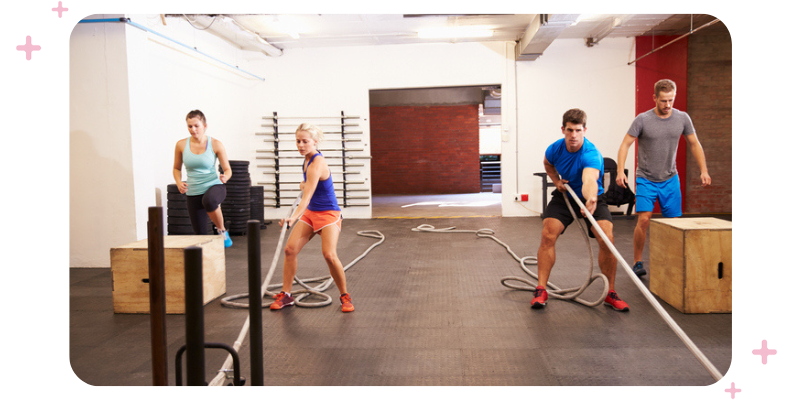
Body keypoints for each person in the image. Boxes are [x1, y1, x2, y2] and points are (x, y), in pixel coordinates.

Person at [531, 108, 629, 312]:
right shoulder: (554, 149)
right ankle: (541, 289)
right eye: (569, 130)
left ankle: (610, 293)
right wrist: (556, 181)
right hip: (565, 195)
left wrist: (591, 198)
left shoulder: (591, 154)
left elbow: (589, 179)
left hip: (591, 197)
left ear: (585, 129)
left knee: (606, 239)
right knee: (548, 234)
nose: (573, 135)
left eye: (577, 130)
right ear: (563, 129)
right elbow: (548, 164)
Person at [616, 79, 711, 277]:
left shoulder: (683, 118)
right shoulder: (642, 120)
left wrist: (704, 170)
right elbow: (625, 144)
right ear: (655, 98)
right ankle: (637, 262)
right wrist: (620, 171)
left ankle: (672, 261)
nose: (668, 105)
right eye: (663, 101)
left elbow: (694, 143)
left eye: (671, 100)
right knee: (643, 219)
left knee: (674, 223)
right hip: (646, 178)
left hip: (670, 178)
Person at [269, 123, 354, 313]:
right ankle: (287, 295)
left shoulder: (317, 163)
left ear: (315, 142)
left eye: (305, 141)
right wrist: (305, 183)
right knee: (290, 250)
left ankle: (345, 296)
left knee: (329, 255)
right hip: (311, 213)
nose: (300, 145)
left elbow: (306, 197)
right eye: (298, 141)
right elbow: (309, 185)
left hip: (329, 214)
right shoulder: (306, 160)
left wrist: (292, 218)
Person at [172, 110, 233, 248]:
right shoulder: (181, 145)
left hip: (215, 186)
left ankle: (222, 231)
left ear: (204, 126)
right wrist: (178, 182)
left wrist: (225, 177)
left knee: (209, 200)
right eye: (189, 126)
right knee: (200, 235)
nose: (193, 129)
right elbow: (176, 168)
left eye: (196, 126)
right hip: (193, 191)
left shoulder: (216, 144)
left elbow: (228, 169)